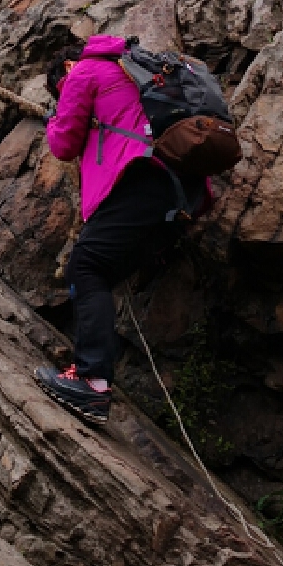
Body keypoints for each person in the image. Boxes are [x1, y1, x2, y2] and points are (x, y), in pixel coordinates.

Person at [34, 36, 209, 427]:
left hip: (142, 178)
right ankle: (92, 375)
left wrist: (54, 118)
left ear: (65, 70)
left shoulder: (83, 71)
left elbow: (64, 143)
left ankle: (92, 381)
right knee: (100, 271)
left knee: (87, 265)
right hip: (183, 193)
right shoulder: (133, 71)